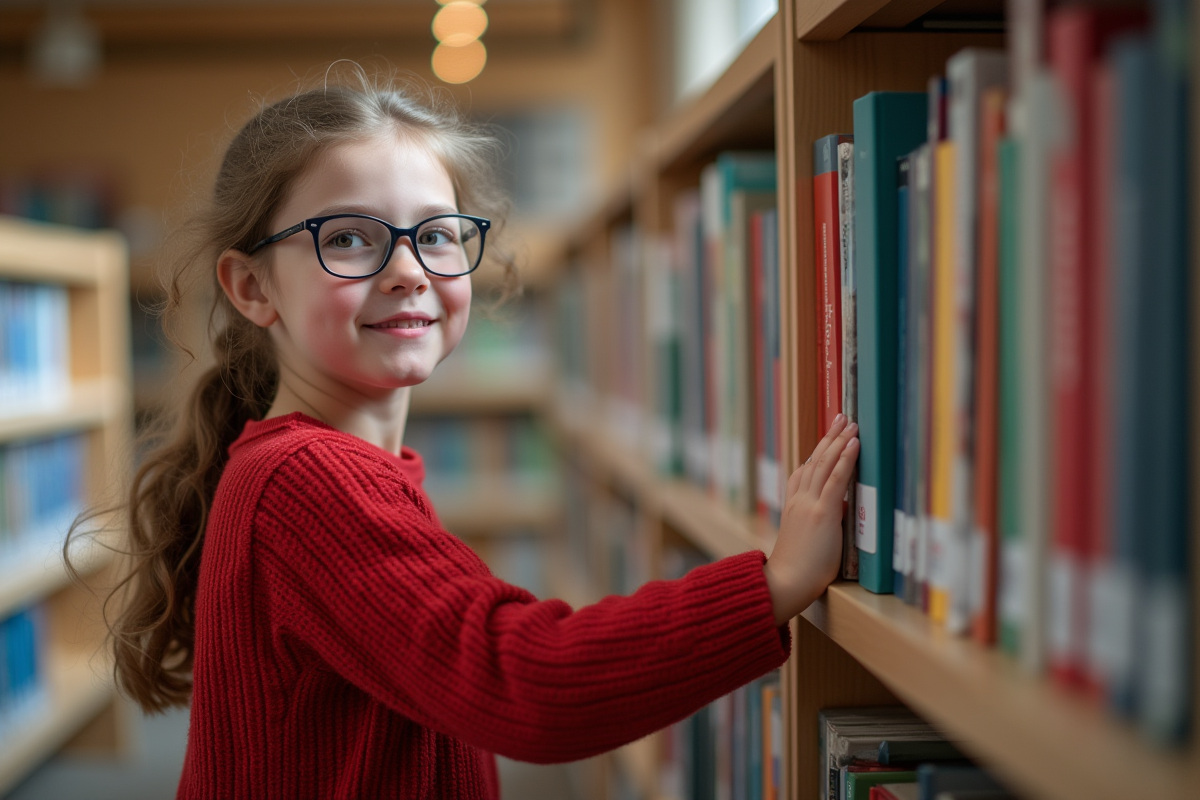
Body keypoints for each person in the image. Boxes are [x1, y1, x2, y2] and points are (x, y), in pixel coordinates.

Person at [69, 72, 859, 800]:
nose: (408, 269)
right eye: (348, 238)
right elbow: (526, 684)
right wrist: (774, 585)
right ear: (252, 288)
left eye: (437, 234)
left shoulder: (323, 467)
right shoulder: (308, 482)